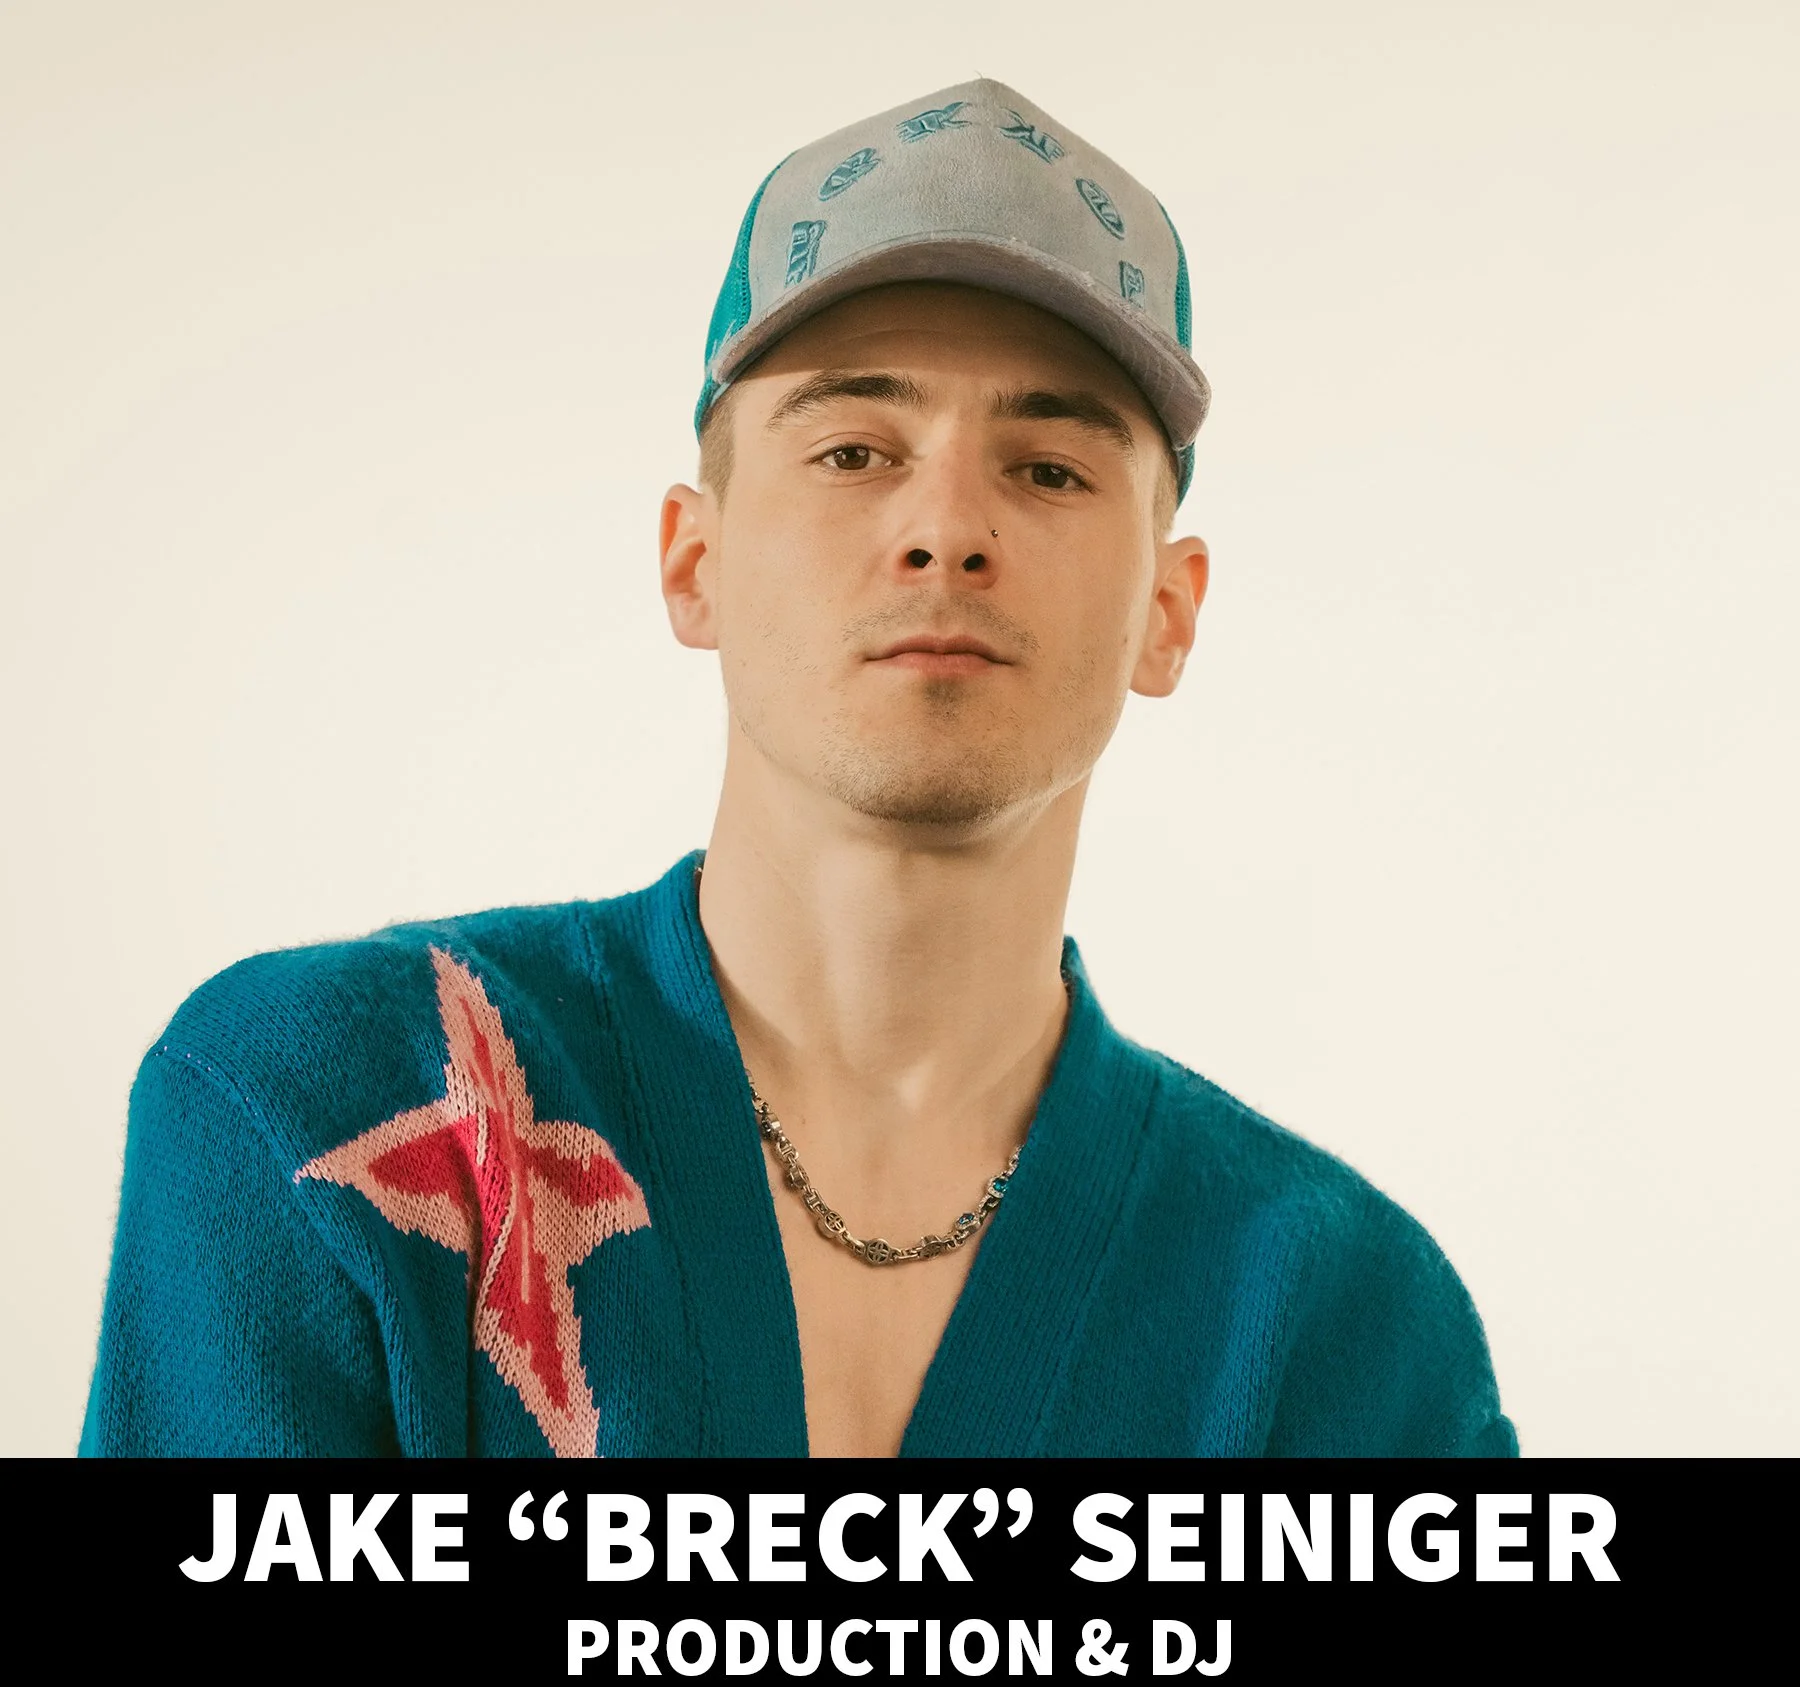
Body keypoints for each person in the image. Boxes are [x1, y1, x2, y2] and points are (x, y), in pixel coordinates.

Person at [81, 79, 1516, 1459]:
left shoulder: (1343, 1320)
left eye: (1050, 468)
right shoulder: (328, 1100)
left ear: (1168, 609)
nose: (945, 527)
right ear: (691, 561)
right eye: (851, 448)